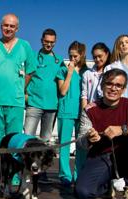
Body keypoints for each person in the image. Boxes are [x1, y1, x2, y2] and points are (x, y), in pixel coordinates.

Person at [74, 69, 128, 199]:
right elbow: (80, 143)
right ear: (102, 86)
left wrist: (124, 129)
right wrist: (89, 138)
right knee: (83, 193)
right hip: (101, 156)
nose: (113, 88)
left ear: (124, 89)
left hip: (126, 156)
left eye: (118, 85)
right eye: (109, 84)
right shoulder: (90, 109)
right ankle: (106, 185)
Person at [0, 13, 37, 151]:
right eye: (6, 25)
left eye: (12, 26)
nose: (8, 28)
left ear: (17, 28)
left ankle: (13, 173)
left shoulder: (25, 46)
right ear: (1, 27)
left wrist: (19, 88)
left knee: (14, 141)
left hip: (16, 102)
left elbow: (30, 71)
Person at [56, 41, 88, 187]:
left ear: (82, 55)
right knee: (64, 145)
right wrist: (69, 72)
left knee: (81, 145)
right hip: (66, 111)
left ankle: (79, 174)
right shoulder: (63, 69)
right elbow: (62, 91)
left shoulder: (86, 72)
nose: (72, 59)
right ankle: (65, 175)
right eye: (70, 55)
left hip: (81, 113)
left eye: (75, 56)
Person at [24, 28, 63, 142]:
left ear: (55, 42)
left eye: (52, 42)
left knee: (45, 139)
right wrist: (24, 94)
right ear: (42, 40)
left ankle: (41, 160)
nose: (49, 44)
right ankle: (27, 160)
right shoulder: (32, 57)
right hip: (34, 103)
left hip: (51, 106)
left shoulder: (59, 61)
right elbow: (24, 76)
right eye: (46, 41)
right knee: (27, 137)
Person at [81, 42, 110, 108]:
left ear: (107, 54)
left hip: (108, 110)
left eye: (100, 56)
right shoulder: (87, 74)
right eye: (95, 57)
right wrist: (84, 113)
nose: (97, 59)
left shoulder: (112, 71)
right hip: (92, 111)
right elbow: (84, 96)